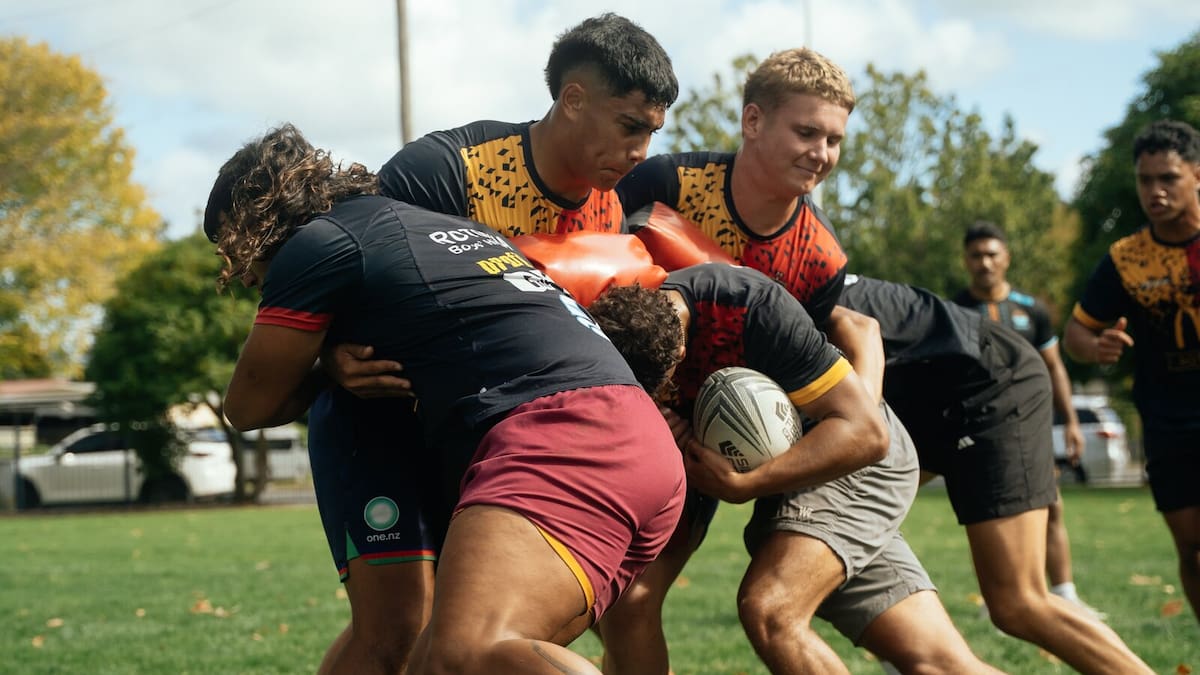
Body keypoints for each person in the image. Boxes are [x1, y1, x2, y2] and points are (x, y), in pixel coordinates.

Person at [203, 124, 685, 675]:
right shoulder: (449, 229)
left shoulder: (318, 244)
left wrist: (324, 370)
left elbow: (247, 407)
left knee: (469, 651)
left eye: (237, 256)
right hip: (642, 448)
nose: (245, 279)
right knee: (434, 661)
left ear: (256, 226)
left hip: (563, 435)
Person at [309, 13, 680, 672]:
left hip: (515, 440)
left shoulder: (606, 207)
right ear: (573, 100)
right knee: (397, 628)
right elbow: (343, 269)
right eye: (629, 127)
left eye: (652, 134)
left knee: (471, 645)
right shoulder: (443, 172)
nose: (640, 153)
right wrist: (330, 357)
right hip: (393, 425)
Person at [602, 45, 888, 674]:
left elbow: (792, 385)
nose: (822, 152)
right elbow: (596, 296)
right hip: (629, 408)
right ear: (753, 121)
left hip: (709, 439)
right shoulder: (662, 184)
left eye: (835, 139)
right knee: (613, 602)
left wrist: (738, 453)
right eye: (806, 131)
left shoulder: (822, 262)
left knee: (648, 598)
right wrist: (649, 402)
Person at [587, 264, 1003, 675]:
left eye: (663, 388)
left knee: (772, 610)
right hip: (761, 474)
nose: (663, 397)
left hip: (848, 457)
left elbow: (868, 433)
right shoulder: (617, 316)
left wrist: (743, 484)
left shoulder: (751, 306)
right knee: (629, 600)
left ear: (680, 351)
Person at [840, 274, 1154, 674]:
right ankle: (915, 657)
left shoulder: (780, 294)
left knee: (1018, 603)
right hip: (925, 403)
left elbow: (860, 334)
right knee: (840, 524)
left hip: (991, 384)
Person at [1063, 118, 1200, 623]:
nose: (1155, 192)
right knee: (1192, 551)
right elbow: (1074, 334)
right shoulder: (1126, 259)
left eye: (1169, 178)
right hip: (1166, 421)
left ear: (1197, 175)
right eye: (1146, 181)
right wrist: (1095, 345)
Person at [952, 220, 1102, 617]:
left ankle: (1065, 593)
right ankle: (995, 593)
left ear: (1006, 258)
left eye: (991, 254)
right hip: (981, 425)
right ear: (966, 261)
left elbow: (1055, 368)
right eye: (976, 255)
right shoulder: (954, 310)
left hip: (1033, 423)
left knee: (1050, 504)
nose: (984, 263)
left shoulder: (1031, 309)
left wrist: (1070, 421)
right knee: (985, 511)